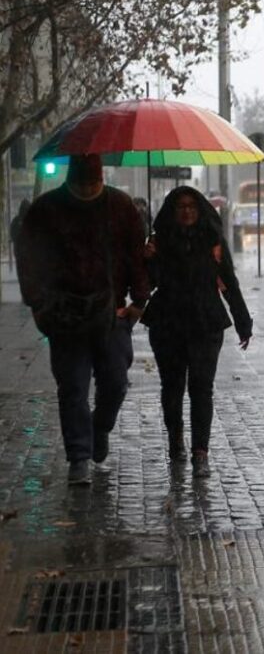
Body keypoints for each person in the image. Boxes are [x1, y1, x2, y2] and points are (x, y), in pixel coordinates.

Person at [15, 155, 149, 486]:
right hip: (65, 314)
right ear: (71, 181)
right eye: (82, 184)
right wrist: (38, 303)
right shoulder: (46, 210)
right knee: (73, 386)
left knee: (115, 381)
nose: (88, 190)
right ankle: (78, 456)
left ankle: (99, 427)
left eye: (94, 183)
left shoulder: (120, 206)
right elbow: (29, 258)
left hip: (112, 311)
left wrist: (139, 301)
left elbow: (135, 253)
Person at [142, 186, 252, 478]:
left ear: (200, 209)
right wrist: (148, 258)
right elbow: (147, 284)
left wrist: (243, 321)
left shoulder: (213, 241)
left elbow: (229, 280)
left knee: (202, 387)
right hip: (168, 322)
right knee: (173, 386)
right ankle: (175, 438)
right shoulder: (159, 241)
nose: (187, 211)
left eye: (192, 205)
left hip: (206, 322)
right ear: (172, 211)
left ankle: (200, 451)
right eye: (180, 206)